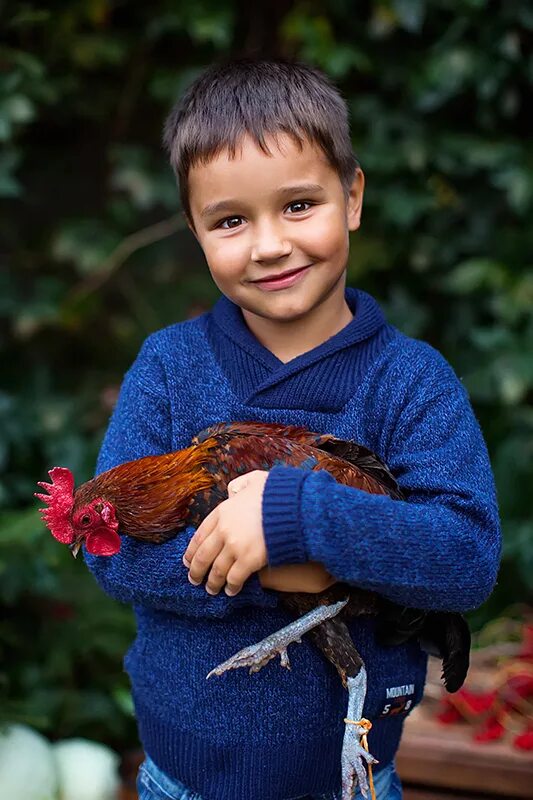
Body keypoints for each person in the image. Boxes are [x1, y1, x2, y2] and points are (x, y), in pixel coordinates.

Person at [84, 57, 501, 800]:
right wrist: (274, 576)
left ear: (353, 198)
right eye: (231, 220)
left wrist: (299, 520)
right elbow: (113, 552)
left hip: (350, 779)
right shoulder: (170, 368)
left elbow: (465, 557)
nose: (269, 244)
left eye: (299, 205)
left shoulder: (410, 380)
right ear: (195, 230)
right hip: (182, 775)